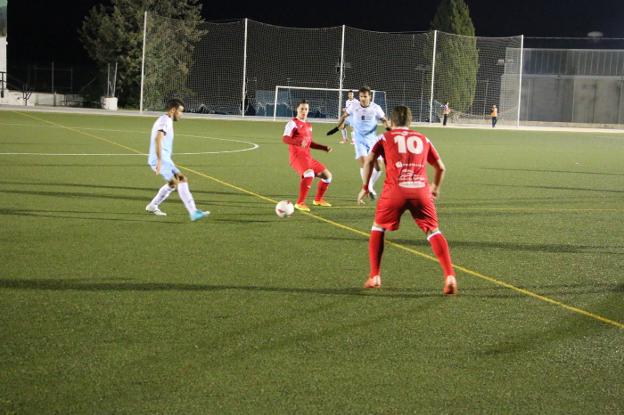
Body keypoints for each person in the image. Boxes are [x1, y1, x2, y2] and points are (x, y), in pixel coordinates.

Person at [357, 105, 457, 295]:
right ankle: (450, 276)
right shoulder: (423, 138)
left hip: (395, 190)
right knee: (433, 230)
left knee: (378, 227)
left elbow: (369, 161)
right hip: (420, 191)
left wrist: (365, 187)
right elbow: (441, 168)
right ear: (410, 122)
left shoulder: (385, 137)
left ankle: (375, 275)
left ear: (391, 122)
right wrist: (434, 188)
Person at [145, 98, 210, 221]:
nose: (181, 114)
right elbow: (158, 139)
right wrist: (159, 160)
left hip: (164, 158)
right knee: (182, 179)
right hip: (160, 158)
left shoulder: (166, 120)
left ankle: (152, 205)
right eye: (180, 111)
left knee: (173, 183)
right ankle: (193, 212)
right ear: (173, 110)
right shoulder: (165, 120)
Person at [329, 85, 391, 200]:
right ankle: (368, 188)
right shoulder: (353, 106)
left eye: (365, 96)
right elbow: (344, 116)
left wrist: (389, 129)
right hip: (359, 140)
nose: (363, 98)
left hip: (373, 140)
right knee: (364, 163)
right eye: (361, 96)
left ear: (370, 97)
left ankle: (369, 185)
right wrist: (336, 128)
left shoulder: (376, 108)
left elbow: (384, 119)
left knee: (378, 166)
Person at [283, 99, 333, 212]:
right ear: (297, 109)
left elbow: (309, 143)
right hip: (297, 157)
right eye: (302, 109)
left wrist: (323, 148)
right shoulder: (292, 123)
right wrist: (298, 143)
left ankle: (318, 200)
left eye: (306, 109)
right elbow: (285, 138)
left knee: (328, 176)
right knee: (309, 174)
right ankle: (300, 203)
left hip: (308, 158)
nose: (304, 111)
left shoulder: (309, 125)